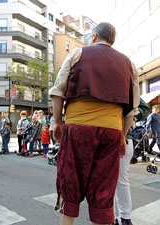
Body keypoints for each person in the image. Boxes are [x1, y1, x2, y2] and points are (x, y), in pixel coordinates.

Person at [49, 22, 139, 225]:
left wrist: (57, 122)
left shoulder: (78, 54)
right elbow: (132, 108)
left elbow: (58, 90)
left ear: (95, 37)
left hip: (78, 127)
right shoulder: (129, 64)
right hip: (112, 131)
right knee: (104, 189)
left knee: (70, 182)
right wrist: (122, 136)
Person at [112, 129, 135, 225]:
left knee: (120, 180)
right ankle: (111, 217)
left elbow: (143, 113)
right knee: (105, 182)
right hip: (103, 137)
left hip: (122, 139)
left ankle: (125, 218)